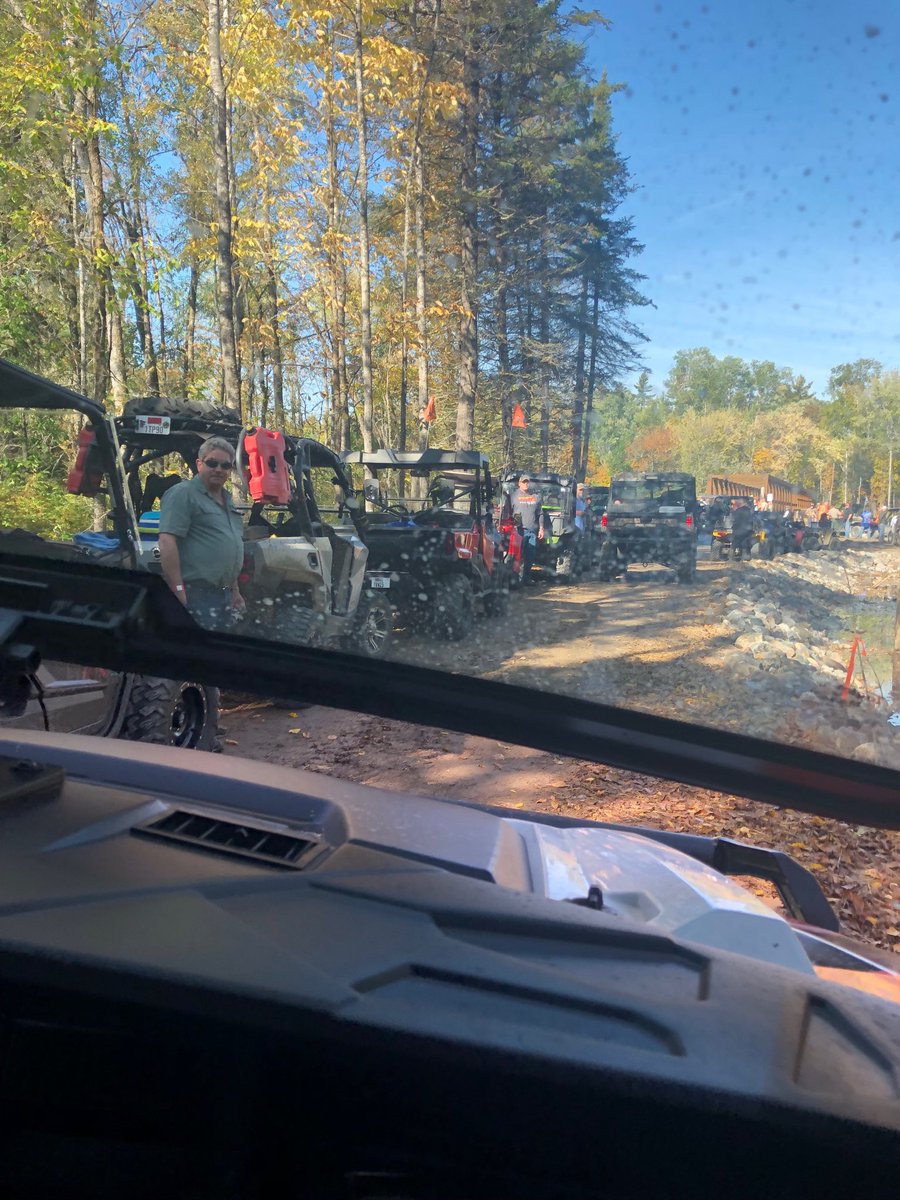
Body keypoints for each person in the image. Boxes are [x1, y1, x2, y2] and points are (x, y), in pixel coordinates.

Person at [158, 436, 246, 629]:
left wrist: (235, 591)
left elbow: (230, 548)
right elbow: (166, 541)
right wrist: (177, 589)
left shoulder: (227, 499)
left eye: (225, 465)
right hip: (194, 594)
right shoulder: (183, 493)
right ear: (199, 464)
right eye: (212, 463)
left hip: (223, 594)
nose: (219, 469)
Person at [510, 474, 544, 581]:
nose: (526, 484)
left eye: (527, 482)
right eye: (524, 482)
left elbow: (540, 514)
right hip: (519, 531)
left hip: (532, 532)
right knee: (517, 557)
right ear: (519, 483)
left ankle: (526, 578)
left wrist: (541, 528)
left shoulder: (535, 497)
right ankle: (515, 579)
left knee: (530, 557)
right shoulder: (513, 496)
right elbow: (506, 512)